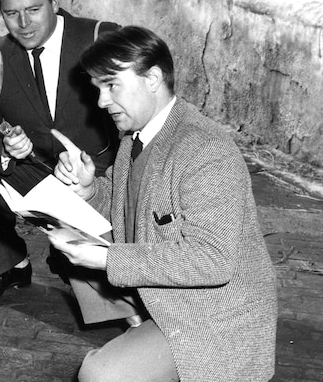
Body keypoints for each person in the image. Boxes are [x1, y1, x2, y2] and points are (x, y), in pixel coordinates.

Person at [50, 26, 278, 381]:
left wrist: (108, 258)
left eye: (111, 85)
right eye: (98, 89)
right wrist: (90, 189)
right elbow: (131, 208)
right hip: (167, 299)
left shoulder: (205, 149)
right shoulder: (137, 138)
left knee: (100, 374)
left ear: (153, 78)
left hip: (212, 319)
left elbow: (213, 260)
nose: (101, 102)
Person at [0, 0, 120, 302]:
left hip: (97, 180)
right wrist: (7, 148)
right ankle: (9, 264)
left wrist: (106, 182)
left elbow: (135, 126)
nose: (23, 23)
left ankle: (71, 258)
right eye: (11, 13)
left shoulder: (100, 38)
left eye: (34, 9)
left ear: (53, 1)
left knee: (99, 298)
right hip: (35, 172)